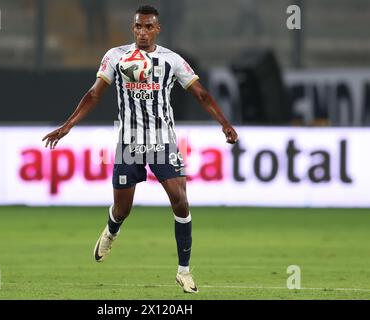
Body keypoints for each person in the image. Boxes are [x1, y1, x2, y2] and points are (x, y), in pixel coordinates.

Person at [42, 5, 238, 294]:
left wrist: (224, 123)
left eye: (148, 27)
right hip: (128, 142)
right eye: (138, 27)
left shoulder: (171, 60)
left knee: (180, 201)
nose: (143, 32)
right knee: (122, 209)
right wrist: (68, 125)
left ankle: (183, 270)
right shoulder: (115, 57)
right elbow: (94, 93)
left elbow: (201, 94)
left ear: (158, 29)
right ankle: (111, 230)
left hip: (162, 140)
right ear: (132, 28)